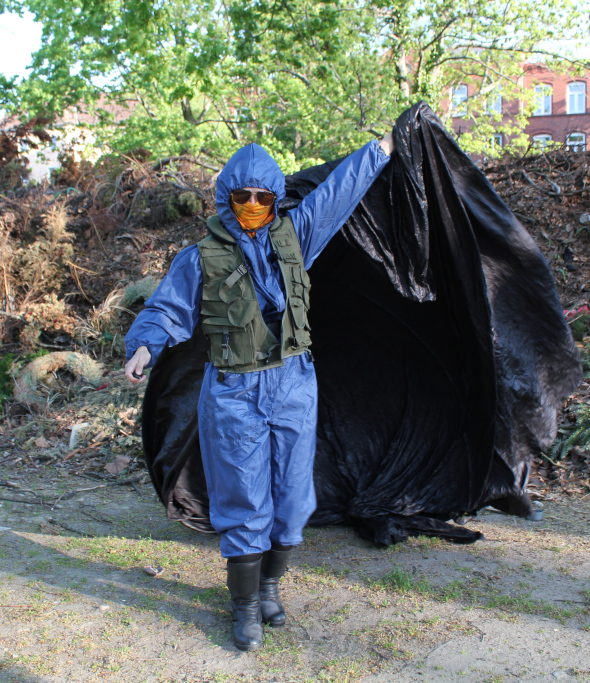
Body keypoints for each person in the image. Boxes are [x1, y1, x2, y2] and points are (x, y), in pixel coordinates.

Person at [123, 132, 393, 650]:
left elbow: (337, 192)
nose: (250, 206)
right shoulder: (199, 257)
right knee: (245, 499)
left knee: (293, 499)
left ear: (274, 199)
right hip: (233, 389)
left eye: (261, 197)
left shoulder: (298, 236)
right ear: (225, 198)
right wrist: (144, 347)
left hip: (294, 383)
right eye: (240, 196)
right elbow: (166, 309)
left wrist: (382, 149)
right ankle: (244, 606)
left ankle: (269, 589)